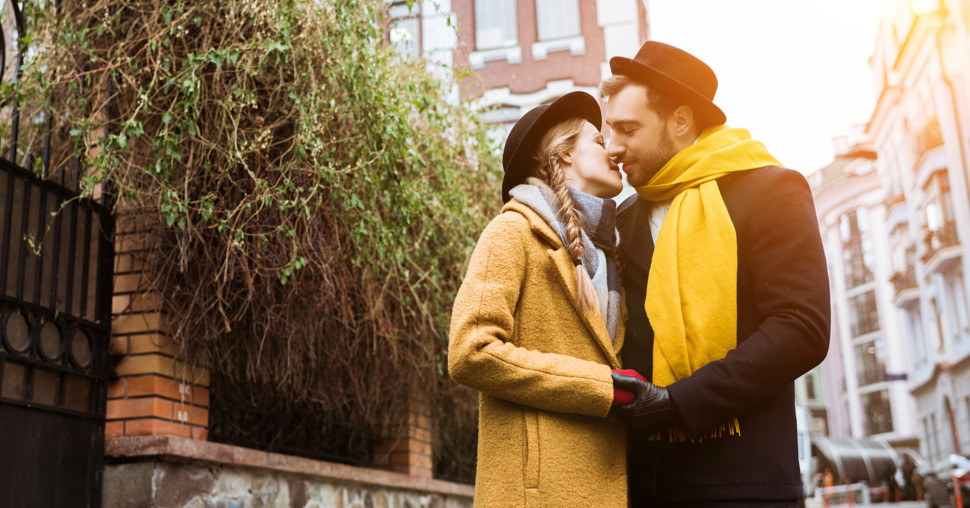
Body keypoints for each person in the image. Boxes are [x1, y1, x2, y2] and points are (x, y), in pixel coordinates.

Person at [602, 40, 831, 506]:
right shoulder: (622, 218)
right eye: (609, 131)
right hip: (643, 486)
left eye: (628, 128)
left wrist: (676, 405)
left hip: (743, 484)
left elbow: (801, 329)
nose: (613, 147)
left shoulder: (771, 189)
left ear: (681, 121)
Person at [448, 91, 628, 506]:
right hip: (537, 494)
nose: (614, 151)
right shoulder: (512, 231)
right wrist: (600, 387)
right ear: (564, 154)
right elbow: (470, 350)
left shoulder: (612, 252)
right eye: (599, 141)